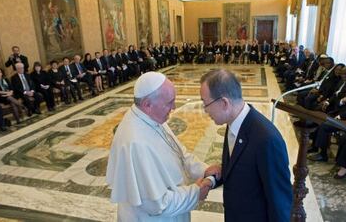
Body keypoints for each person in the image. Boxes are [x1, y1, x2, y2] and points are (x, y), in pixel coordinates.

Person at [106, 72, 219, 221]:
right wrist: (196, 192)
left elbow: (179, 153)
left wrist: (204, 170)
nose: (174, 107)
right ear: (147, 104)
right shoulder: (135, 143)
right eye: (169, 102)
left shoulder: (151, 116)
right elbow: (158, 205)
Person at [200, 69, 292, 221]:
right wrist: (212, 180)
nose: (205, 110)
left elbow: (280, 203)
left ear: (224, 103)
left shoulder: (267, 140)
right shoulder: (234, 123)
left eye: (206, 103)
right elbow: (240, 170)